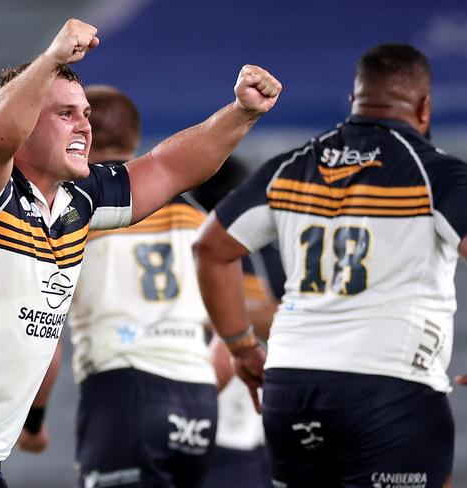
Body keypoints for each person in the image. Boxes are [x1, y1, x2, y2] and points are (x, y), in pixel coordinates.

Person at [0, 18, 281, 488]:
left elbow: (170, 167)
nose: (84, 127)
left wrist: (240, 113)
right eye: (65, 114)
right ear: (27, 121)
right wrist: (51, 58)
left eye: (86, 114)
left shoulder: (82, 201)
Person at [194, 43, 467, 488]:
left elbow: (210, 249)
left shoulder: (290, 168)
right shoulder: (435, 173)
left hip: (290, 390)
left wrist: (242, 348)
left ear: (352, 103)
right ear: (423, 107)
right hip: (389, 389)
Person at [49, 84, 217, 487]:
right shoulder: (197, 216)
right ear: (135, 138)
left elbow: (42, 330)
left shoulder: (72, 211)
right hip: (199, 393)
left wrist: (35, 420)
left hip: (123, 387)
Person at [192, 158, 284, 488]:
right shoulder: (258, 249)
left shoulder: (267, 252)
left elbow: (292, 318)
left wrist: (221, 317)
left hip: (245, 423)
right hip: (219, 418)